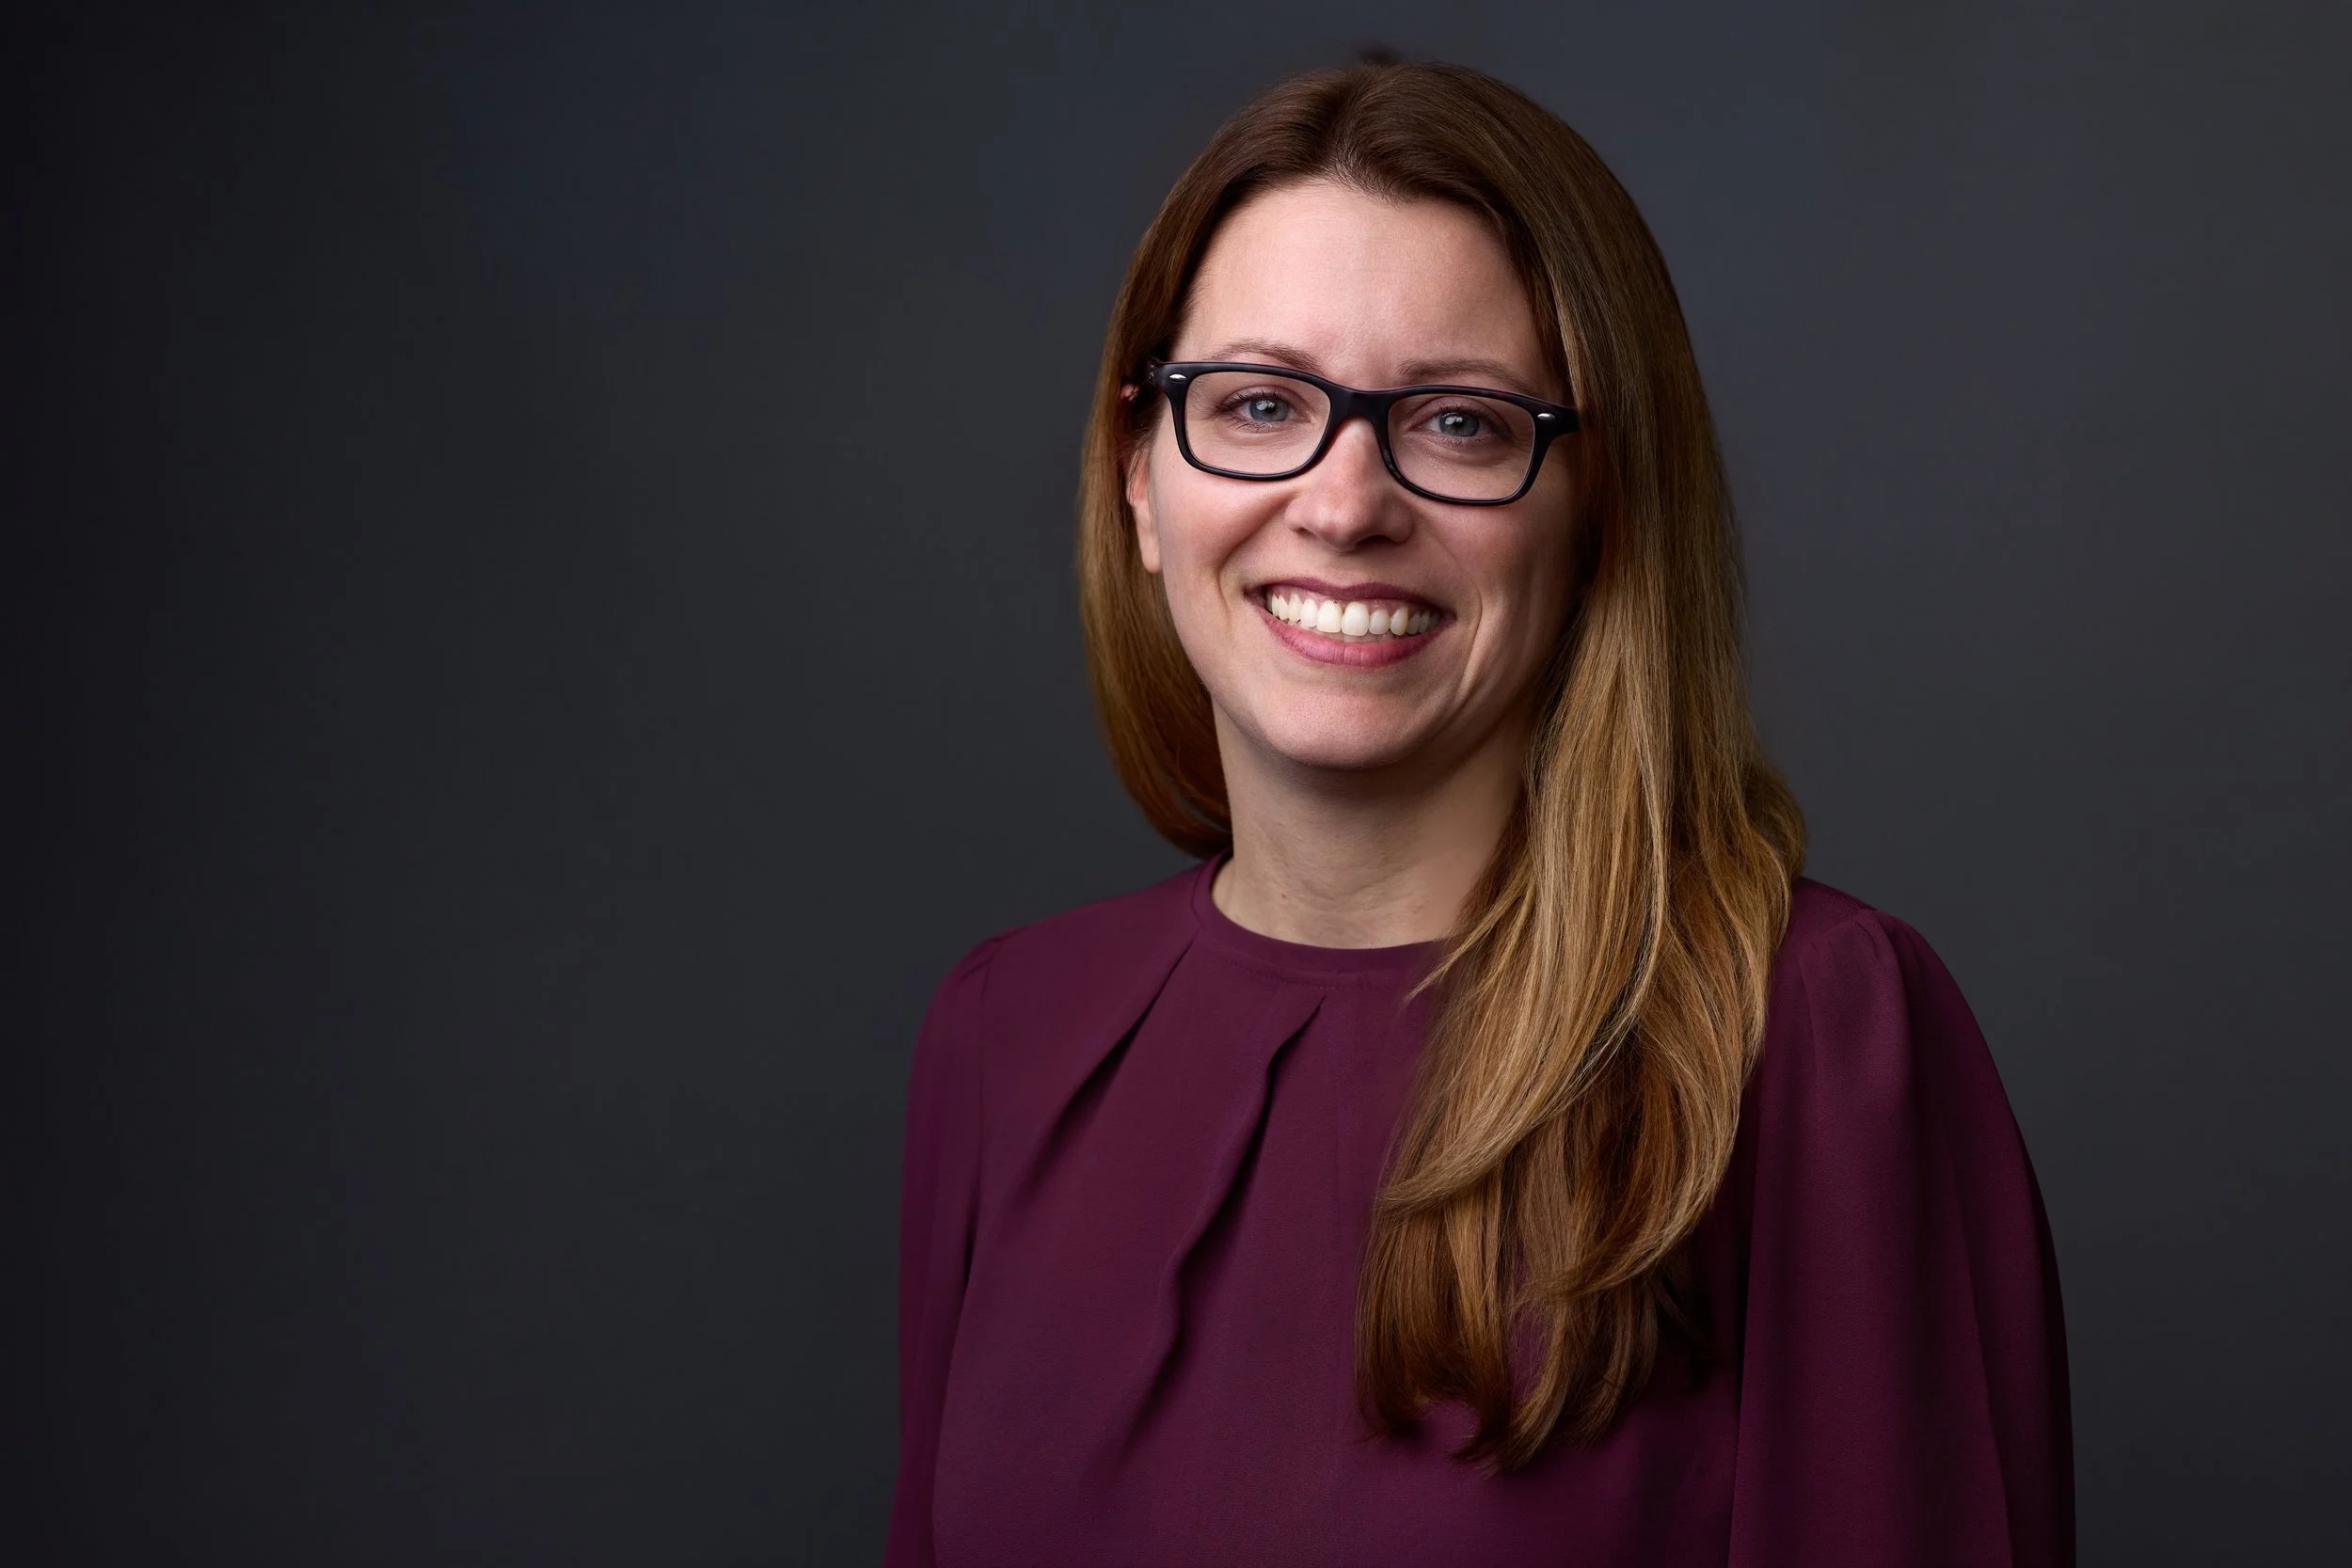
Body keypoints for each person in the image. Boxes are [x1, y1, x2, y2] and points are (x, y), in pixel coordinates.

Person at [885, 58, 2073, 1568]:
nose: (1344, 500)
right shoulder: (1007, 1040)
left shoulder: (1815, 1038)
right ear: (1139, 477)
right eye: (1257, 403)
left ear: (1598, 511)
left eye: (1456, 422)